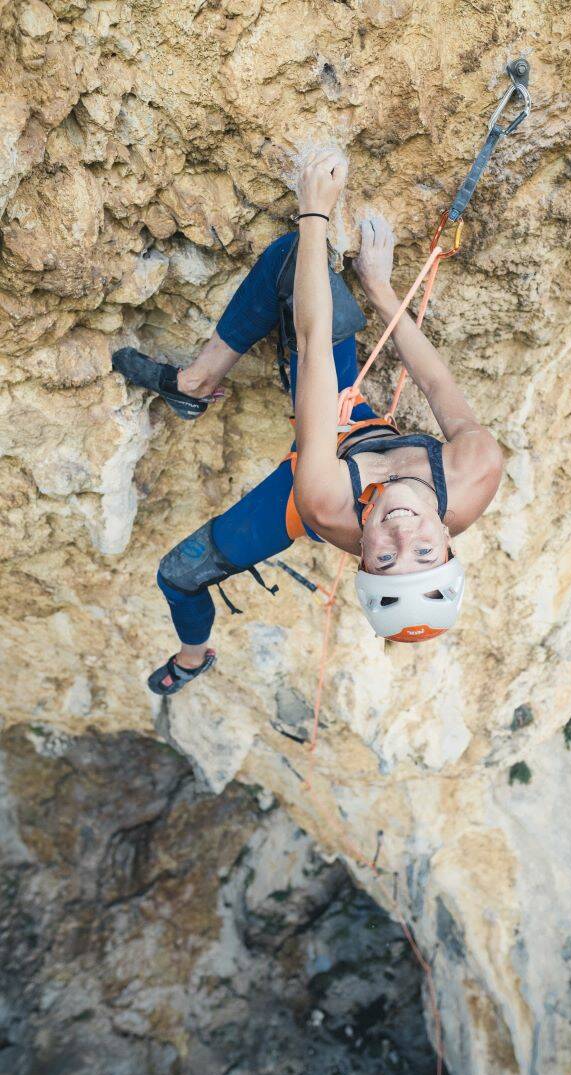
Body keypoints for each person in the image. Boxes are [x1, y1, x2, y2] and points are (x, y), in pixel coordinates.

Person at [112, 151, 503, 695]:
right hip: (356, 425)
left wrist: (314, 211)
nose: (402, 530)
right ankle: (196, 385)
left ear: (360, 554)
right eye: (424, 552)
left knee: (178, 575)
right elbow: (436, 383)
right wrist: (379, 288)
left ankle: (193, 656)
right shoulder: (475, 470)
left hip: (321, 467)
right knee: (298, 263)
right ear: (449, 539)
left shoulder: (324, 504)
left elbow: (314, 345)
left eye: (386, 557)